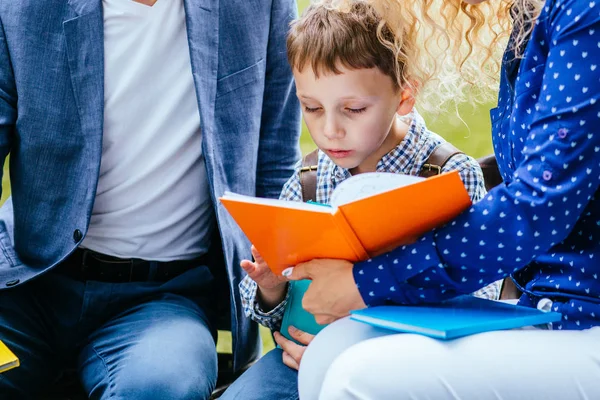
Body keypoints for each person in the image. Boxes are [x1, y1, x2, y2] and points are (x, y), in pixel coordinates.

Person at [286, 0, 600, 398]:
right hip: (548, 305)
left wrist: (368, 283)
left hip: (586, 317)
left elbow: (537, 206)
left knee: (359, 376)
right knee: (329, 352)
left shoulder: (586, 14)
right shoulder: (529, 18)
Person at [0, 0, 300, 398]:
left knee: (162, 387)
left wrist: (296, 315)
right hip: (29, 283)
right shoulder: (21, 8)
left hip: (163, 301)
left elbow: (276, 164)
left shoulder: (259, 6)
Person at [220, 2, 499, 399]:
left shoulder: (448, 177)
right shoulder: (308, 182)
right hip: (301, 362)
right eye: (312, 108)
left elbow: (480, 299)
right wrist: (271, 286)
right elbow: (274, 314)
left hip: (406, 371)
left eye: (353, 109)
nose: (330, 130)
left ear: (404, 95)